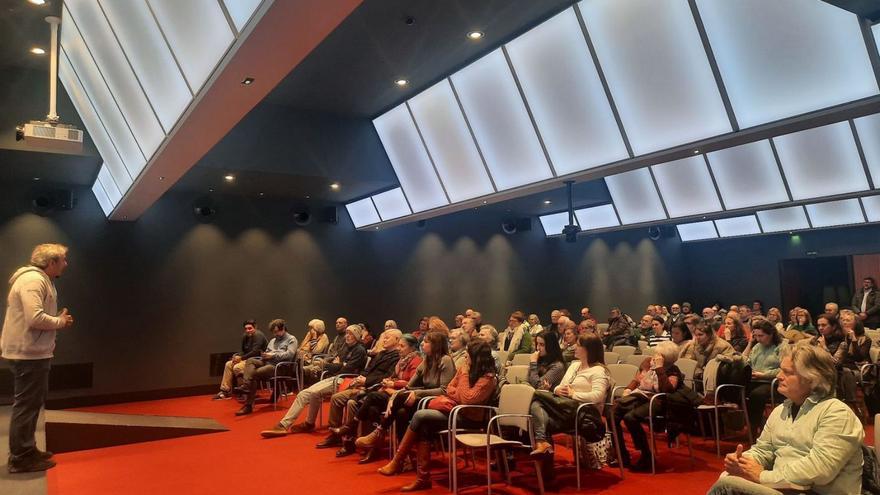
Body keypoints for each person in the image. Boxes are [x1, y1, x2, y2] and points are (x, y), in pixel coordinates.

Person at [708, 343, 863, 495]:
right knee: (728, 477)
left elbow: (820, 469)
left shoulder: (836, 413)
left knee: (726, 486)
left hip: (815, 491)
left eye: (787, 372)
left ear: (812, 378)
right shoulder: (780, 411)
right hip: (782, 487)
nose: (778, 376)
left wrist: (763, 476)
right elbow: (764, 450)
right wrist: (742, 461)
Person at [377, 340, 497, 491]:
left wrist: (462, 382)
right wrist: (459, 393)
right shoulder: (464, 370)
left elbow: (467, 399)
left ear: (477, 358)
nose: (466, 358)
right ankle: (422, 478)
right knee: (424, 424)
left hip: (470, 419)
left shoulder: (488, 378)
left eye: (468, 355)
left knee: (420, 415)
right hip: (454, 411)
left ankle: (398, 460)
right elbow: (449, 389)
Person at [1, 244, 74, 473]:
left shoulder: (40, 280)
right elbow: (35, 318)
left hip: (33, 352)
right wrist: (60, 322)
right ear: (50, 262)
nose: (66, 263)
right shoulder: (33, 280)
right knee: (26, 405)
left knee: (32, 403)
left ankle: (27, 449)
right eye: (62, 259)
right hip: (28, 354)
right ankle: (21, 457)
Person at [355, 331, 455, 449]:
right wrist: (395, 396)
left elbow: (444, 390)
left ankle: (379, 431)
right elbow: (409, 387)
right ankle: (404, 456)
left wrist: (413, 393)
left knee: (395, 400)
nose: (422, 343)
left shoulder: (445, 360)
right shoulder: (426, 361)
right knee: (401, 413)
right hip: (421, 399)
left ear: (436, 345)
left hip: (436, 401)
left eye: (426, 342)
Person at [258, 324, 366, 431]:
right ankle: (309, 423)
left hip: (345, 380)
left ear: (356, 336)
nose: (347, 336)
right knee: (309, 394)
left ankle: (284, 425)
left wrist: (333, 365)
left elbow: (346, 370)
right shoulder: (347, 348)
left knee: (304, 394)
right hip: (337, 377)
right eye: (346, 333)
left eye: (350, 334)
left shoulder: (359, 350)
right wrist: (339, 365)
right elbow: (340, 364)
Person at [337, 334, 422, 464]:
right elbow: (392, 376)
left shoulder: (416, 361)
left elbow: (411, 382)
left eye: (402, 346)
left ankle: (351, 425)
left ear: (411, 348)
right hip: (391, 392)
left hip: (403, 395)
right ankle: (373, 449)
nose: (399, 348)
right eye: (399, 345)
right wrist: (388, 381)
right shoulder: (401, 360)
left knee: (371, 397)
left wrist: (393, 384)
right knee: (372, 408)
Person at [315, 330, 402, 456]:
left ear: (397, 340)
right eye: (384, 337)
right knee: (336, 398)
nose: (384, 340)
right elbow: (367, 370)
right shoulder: (380, 354)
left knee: (351, 403)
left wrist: (366, 381)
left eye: (388, 338)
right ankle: (335, 435)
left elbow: (388, 377)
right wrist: (359, 378)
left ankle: (350, 441)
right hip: (363, 385)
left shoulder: (396, 357)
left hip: (374, 388)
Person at [529, 334, 610, 456]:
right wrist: (556, 390)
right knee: (538, 407)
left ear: (588, 350)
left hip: (583, 413)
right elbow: (561, 386)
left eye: (578, 345)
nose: (575, 348)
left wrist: (574, 394)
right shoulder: (574, 365)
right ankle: (542, 443)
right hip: (565, 409)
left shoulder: (598, 371)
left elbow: (597, 396)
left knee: (536, 396)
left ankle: (542, 445)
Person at [612, 341, 684, 471]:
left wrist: (660, 368)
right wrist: (628, 389)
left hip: (660, 401)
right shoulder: (647, 362)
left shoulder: (673, 370)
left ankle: (646, 455)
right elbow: (637, 379)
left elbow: (667, 390)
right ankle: (621, 454)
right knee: (613, 414)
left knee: (630, 418)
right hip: (640, 396)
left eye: (658, 355)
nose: (654, 357)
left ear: (666, 358)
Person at [235, 319, 298, 415]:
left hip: (279, 367)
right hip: (267, 362)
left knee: (253, 374)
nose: (275, 334)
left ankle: (248, 405)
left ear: (283, 329)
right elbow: (267, 351)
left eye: (276, 331)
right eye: (273, 332)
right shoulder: (273, 340)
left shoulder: (292, 339)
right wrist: (265, 355)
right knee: (250, 361)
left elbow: (289, 354)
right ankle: (246, 385)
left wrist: (273, 355)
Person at [742, 320, 784, 438]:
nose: (758, 339)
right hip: (755, 380)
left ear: (771, 334)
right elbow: (748, 362)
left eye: (761, 336)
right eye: (756, 336)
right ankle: (755, 423)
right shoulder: (756, 346)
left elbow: (784, 370)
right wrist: (750, 343)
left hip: (773, 383)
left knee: (756, 395)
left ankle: (753, 428)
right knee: (738, 390)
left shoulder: (781, 347)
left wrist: (764, 374)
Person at [214, 319, 268, 400]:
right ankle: (225, 391)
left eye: (250, 328)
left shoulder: (258, 335)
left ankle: (245, 391)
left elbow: (255, 352)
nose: (247, 330)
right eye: (246, 329)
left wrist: (241, 358)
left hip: (256, 360)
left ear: (255, 327)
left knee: (237, 367)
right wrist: (236, 356)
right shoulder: (245, 336)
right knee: (228, 364)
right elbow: (243, 351)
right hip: (246, 359)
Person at [302, 316, 348, 383]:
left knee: (315, 364)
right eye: (336, 323)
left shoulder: (345, 338)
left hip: (334, 362)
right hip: (328, 359)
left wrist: (328, 360)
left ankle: (304, 371)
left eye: (340, 323)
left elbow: (316, 351)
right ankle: (304, 371)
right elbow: (331, 352)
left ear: (346, 325)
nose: (337, 324)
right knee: (311, 364)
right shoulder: (337, 337)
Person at [840, 310, 871, 407]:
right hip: (842, 365)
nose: (844, 322)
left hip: (858, 368)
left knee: (845, 372)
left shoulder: (865, 339)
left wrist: (853, 340)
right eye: (843, 320)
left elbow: (859, 357)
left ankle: (850, 402)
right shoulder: (840, 336)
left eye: (848, 320)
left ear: (856, 323)